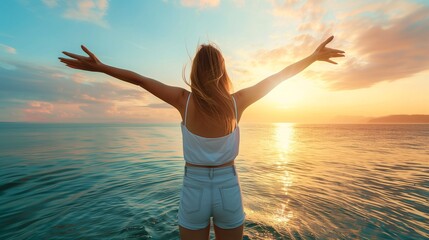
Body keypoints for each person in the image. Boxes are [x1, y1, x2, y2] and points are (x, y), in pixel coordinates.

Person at [59, 35, 345, 240]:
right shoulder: (237, 102)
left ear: (195, 71)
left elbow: (141, 80)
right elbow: (278, 77)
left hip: (193, 189)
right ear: (222, 71)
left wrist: (101, 67)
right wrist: (312, 58)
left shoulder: (182, 100)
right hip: (228, 189)